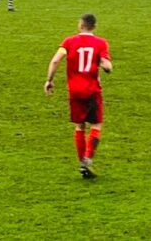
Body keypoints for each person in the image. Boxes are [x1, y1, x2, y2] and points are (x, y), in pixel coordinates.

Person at [44, 13, 113, 179]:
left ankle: (82, 161)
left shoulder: (68, 42)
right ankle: (88, 159)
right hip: (92, 91)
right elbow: (107, 65)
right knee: (96, 125)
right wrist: (107, 66)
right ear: (94, 27)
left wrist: (49, 80)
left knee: (79, 126)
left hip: (75, 91)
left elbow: (55, 61)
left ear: (80, 25)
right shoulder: (101, 43)